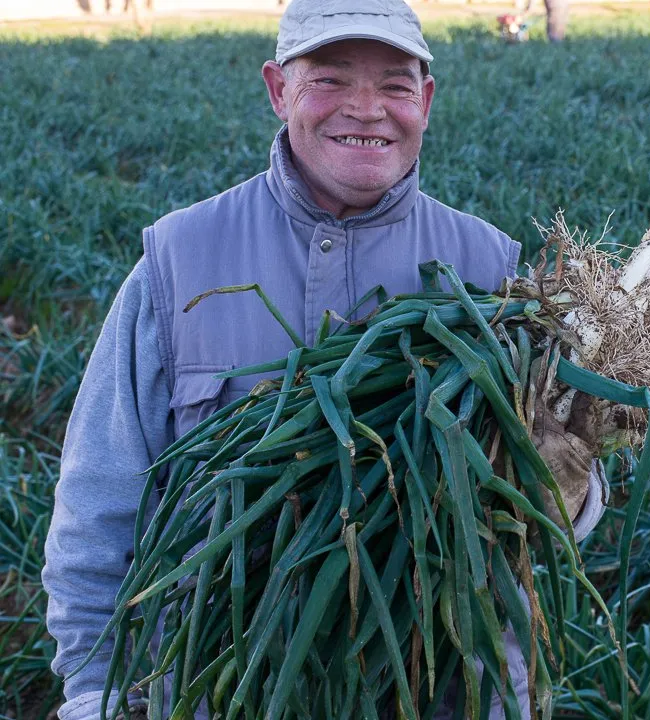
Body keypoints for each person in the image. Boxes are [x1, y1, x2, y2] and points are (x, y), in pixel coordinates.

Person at [41, 1, 608, 718]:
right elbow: (98, 503)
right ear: (279, 90)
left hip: (438, 697)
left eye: (396, 85)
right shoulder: (179, 262)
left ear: (425, 102)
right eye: (331, 80)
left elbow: (559, 523)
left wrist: (565, 483)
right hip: (210, 694)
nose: (367, 110)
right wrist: (94, 690)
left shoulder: (494, 276)